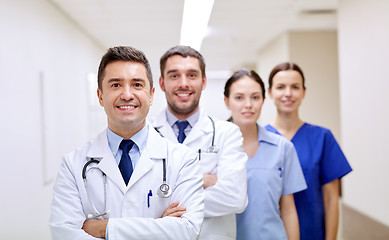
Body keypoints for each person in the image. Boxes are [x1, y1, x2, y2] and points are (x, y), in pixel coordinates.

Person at [49, 46, 204, 240]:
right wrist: (159, 227)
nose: (127, 94)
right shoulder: (73, 165)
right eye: (116, 85)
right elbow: (64, 234)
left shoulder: (183, 160)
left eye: (137, 85)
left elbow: (186, 230)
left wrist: (105, 229)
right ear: (100, 96)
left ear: (151, 95)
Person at [151, 45, 248, 240]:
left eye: (192, 75)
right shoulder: (144, 134)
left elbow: (235, 198)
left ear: (203, 82)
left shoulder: (227, 133)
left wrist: (165, 195)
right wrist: (201, 180)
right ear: (162, 83)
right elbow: (134, 201)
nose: (183, 83)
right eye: (174, 75)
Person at [265, 62, 353, 240]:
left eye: (295, 87)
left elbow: (331, 199)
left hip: (312, 233)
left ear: (304, 92)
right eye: (281, 87)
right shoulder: (260, 139)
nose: (288, 93)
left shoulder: (322, 138)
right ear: (270, 93)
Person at [223, 69, 307, 240]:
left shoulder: (283, 148)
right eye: (239, 98)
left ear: (263, 100)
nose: (248, 104)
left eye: (255, 97)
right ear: (227, 101)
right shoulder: (214, 148)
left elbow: (288, 209)